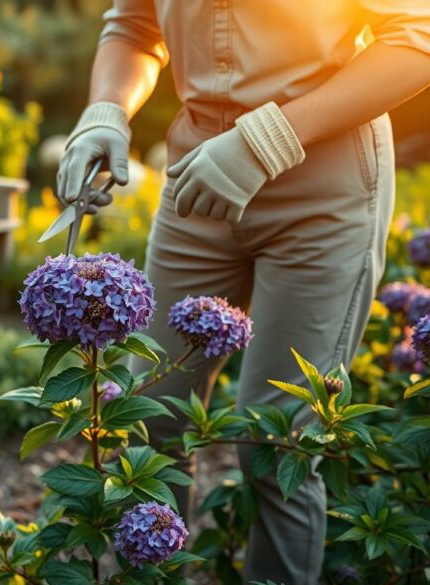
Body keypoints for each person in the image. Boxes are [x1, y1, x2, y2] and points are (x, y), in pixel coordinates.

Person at [56, 2, 430, 583]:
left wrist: (265, 140)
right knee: (148, 419)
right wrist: (106, 112)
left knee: (276, 441)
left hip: (322, 192)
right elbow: (134, 26)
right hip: (197, 181)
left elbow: (415, 39)